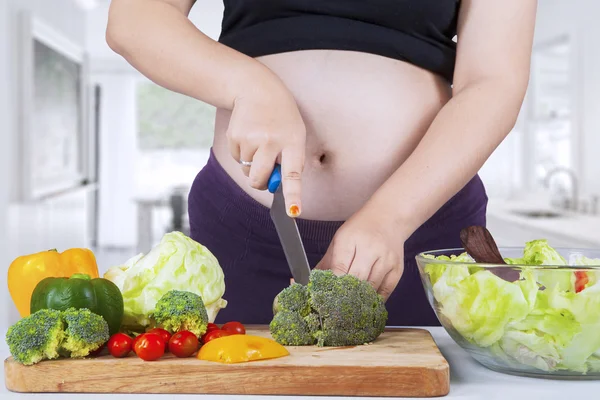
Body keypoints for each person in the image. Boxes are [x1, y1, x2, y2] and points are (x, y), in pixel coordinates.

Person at [106, 0, 538, 326]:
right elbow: (136, 18)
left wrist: (391, 218)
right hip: (247, 233)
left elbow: (493, 80)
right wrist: (249, 86)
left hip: (420, 232)